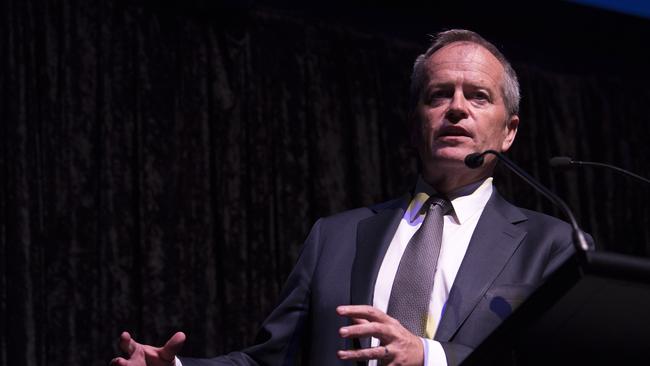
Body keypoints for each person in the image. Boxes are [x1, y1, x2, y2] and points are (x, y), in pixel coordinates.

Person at [111, 29, 576, 366]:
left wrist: (430, 357)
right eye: (438, 95)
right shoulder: (334, 238)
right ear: (415, 124)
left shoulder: (551, 245)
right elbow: (272, 361)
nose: (456, 107)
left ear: (509, 130)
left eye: (477, 96)